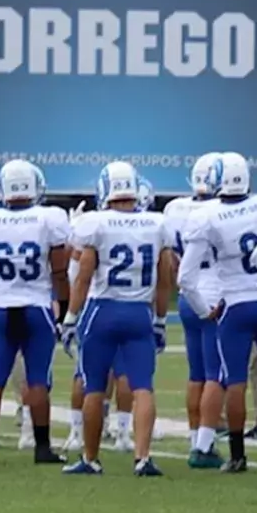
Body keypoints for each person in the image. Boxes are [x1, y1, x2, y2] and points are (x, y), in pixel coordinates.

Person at [60, 161, 176, 476]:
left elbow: (83, 276)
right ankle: (142, 457)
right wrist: (161, 319)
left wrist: (71, 317)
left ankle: (90, 458)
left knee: (95, 387)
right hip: (139, 312)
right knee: (143, 387)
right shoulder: (157, 223)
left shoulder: (94, 223)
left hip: (101, 311)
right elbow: (166, 277)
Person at [177, 151, 257, 474]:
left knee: (231, 380)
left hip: (233, 305)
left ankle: (237, 455)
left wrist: (204, 309)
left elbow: (185, 277)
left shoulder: (206, 214)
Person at [0, 159, 70, 466]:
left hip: (1, 306)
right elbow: (60, 274)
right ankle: (42, 447)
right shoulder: (49, 218)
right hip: (36, 307)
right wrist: (62, 310)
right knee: (37, 380)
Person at [167, 154, 225, 467]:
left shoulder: (175, 209)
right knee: (217, 375)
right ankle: (204, 446)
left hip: (188, 295)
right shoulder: (220, 211)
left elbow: (174, 260)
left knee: (197, 374)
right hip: (215, 297)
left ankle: (195, 438)